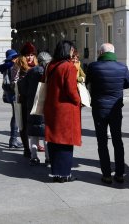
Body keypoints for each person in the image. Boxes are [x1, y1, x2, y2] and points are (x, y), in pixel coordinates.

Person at [86, 43, 129, 184]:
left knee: (102, 142)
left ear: (101, 52)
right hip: (115, 108)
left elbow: (88, 82)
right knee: (117, 141)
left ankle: (106, 174)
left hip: (99, 108)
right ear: (113, 52)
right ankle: (119, 174)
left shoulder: (93, 66)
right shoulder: (122, 67)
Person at [43, 40, 82, 182]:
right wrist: (79, 100)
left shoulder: (50, 65)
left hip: (51, 107)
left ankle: (56, 172)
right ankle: (64, 174)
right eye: (72, 50)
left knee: (54, 141)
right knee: (66, 142)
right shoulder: (69, 67)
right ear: (67, 50)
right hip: (66, 110)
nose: (73, 52)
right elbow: (71, 90)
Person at [17, 51, 52, 164]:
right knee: (46, 134)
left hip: (32, 105)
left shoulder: (31, 71)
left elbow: (22, 87)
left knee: (33, 133)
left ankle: (34, 156)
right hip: (46, 105)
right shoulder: (49, 72)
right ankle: (48, 157)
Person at [13, 42, 38, 151]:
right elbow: (13, 82)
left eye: (32, 55)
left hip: (34, 98)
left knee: (34, 122)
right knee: (23, 124)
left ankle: (35, 145)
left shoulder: (36, 66)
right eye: (27, 55)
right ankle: (26, 148)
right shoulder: (18, 65)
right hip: (23, 98)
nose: (30, 57)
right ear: (23, 56)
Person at [0, 49, 22, 149]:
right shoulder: (12, 66)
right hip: (14, 93)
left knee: (15, 115)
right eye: (15, 57)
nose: (17, 58)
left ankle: (13, 139)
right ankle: (13, 140)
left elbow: (0, 68)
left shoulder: (5, 66)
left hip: (9, 93)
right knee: (16, 116)